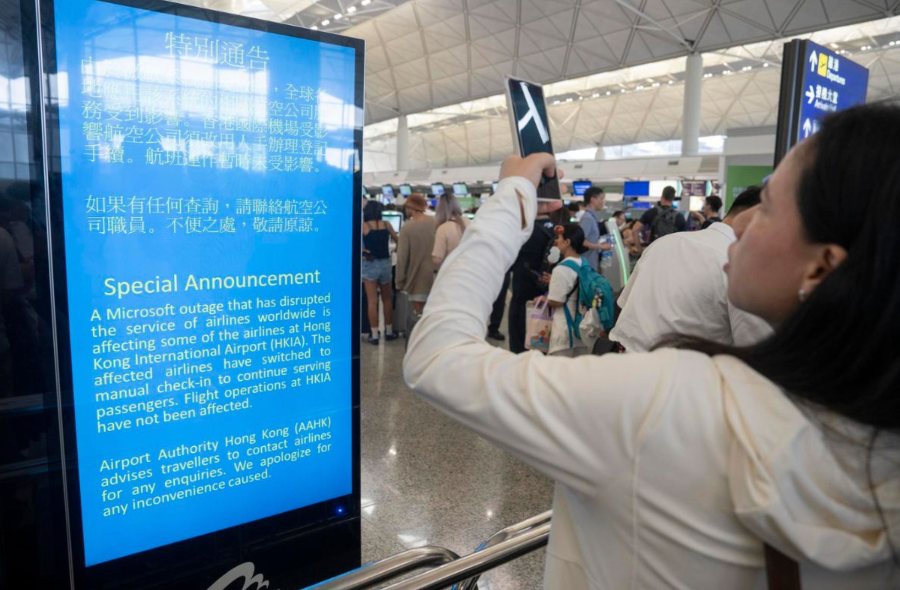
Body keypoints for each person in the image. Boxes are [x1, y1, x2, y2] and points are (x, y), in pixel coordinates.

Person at [404, 103, 900, 589]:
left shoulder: (670, 404)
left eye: (767, 207)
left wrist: (510, 198)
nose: (737, 229)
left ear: (821, 267)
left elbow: (439, 358)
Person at [609, 187, 771, 353]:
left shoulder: (662, 243)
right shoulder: (741, 266)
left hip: (625, 362)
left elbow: (623, 304)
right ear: (757, 216)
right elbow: (755, 350)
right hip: (687, 374)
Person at [508, 201, 568, 353]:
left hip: (524, 290)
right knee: (541, 336)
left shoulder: (525, 231)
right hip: (549, 290)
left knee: (521, 333)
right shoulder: (559, 232)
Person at [545, 223, 589, 357]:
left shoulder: (561, 268)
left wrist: (545, 298)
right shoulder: (584, 263)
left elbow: (556, 301)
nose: (556, 241)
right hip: (582, 329)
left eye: (559, 238)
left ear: (568, 242)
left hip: (564, 332)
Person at [362, 199, 398, 344]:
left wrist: (365, 251)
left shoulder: (364, 226)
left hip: (370, 265)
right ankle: (389, 331)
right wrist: (394, 250)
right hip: (386, 264)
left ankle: (375, 334)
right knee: (387, 299)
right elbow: (397, 239)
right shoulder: (386, 224)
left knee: (372, 301)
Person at [395, 193, 435, 317]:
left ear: (412, 208)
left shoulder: (407, 228)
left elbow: (402, 258)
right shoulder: (436, 222)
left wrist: (399, 281)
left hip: (417, 281)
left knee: (419, 317)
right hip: (436, 279)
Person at [632, 184, 685, 252]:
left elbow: (635, 230)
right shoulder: (679, 217)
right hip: (671, 253)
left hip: (654, 252)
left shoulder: (651, 212)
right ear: (673, 198)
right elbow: (684, 240)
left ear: (662, 197)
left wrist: (640, 250)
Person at [431, 193, 469, 271]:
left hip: (449, 273)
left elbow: (437, 259)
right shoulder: (469, 223)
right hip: (467, 270)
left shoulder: (443, 228)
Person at [578, 187, 612, 271]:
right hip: (586, 265)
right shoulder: (587, 218)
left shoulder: (592, 217)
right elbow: (580, 240)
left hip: (591, 263)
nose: (603, 202)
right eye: (601, 198)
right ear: (592, 199)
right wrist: (601, 246)